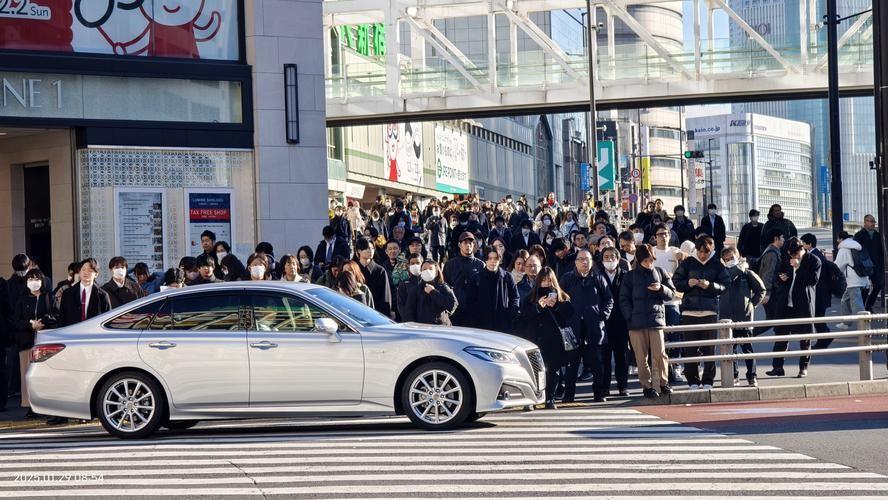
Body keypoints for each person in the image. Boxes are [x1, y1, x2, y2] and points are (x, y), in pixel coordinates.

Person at [619, 244, 677, 399]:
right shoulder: (630, 276)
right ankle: (647, 385)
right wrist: (629, 316)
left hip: (655, 320)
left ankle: (663, 384)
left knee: (660, 354)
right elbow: (623, 299)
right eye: (645, 260)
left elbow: (672, 294)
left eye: (651, 260)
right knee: (640, 356)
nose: (649, 263)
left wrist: (661, 289)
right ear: (639, 260)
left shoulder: (660, 272)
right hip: (636, 322)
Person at [673, 235, 729, 390]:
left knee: (709, 348)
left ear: (711, 251)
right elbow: (676, 282)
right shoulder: (688, 263)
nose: (702, 255)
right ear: (696, 250)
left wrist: (710, 286)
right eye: (700, 251)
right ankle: (692, 381)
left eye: (706, 252)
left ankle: (708, 381)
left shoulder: (717, 264)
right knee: (690, 348)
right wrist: (687, 284)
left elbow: (725, 285)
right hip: (689, 311)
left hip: (709, 310)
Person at [559, 249, 613, 402]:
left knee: (596, 362)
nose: (584, 262)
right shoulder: (567, 278)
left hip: (594, 326)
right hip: (573, 327)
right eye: (581, 259)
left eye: (587, 259)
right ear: (575, 262)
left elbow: (609, 299)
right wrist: (565, 318)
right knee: (572, 363)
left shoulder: (598, 277)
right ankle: (569, 395)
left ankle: (599, 394)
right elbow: (560, 299)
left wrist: (602, 315)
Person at [766, 237, 821, 378]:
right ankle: (777, 367)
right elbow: (776, 277)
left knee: (805, 338)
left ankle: (803, 368)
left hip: (803, 304)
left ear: (802, 249)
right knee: (780, 336)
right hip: (785, 303)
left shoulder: (814, 260)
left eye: (795, 254)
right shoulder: (785, 259)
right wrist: (781, 278)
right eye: (790, 254)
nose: (792, 257)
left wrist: (798, 267)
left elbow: (812, 281)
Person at [520, 267, 574, 409]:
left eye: (549, 280)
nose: (546, 283)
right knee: (535, 370)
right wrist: (538, 306)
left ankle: (550, 398)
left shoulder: (561, 296)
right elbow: (524, 315)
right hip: (535, 339)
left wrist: (556, 305)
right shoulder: (531, 296)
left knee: (553, 369)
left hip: (554, 339)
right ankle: (532, 399)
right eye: (543, 280)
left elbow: (569, 314)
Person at [12, 269, 56, 419]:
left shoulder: (49, 296)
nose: (33, 281)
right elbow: (16, 321)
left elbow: (56, 315)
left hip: (46, 342)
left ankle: (48, 405)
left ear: (42, 281)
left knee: (46, 374)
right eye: (30, 278)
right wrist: (30, 325)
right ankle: (31, 405)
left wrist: (43, 322)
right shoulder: (22, 299)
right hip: (26, 342)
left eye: (36, 278)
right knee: (27, 375)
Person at [719, 247, 765, 387]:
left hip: (744, 317)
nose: (729, 261)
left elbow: (761, 290)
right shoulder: (722, 274)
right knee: (730, 351)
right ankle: (734, 376)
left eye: (731, 258)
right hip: (727, 318)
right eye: (726, 259)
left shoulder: (747, 273)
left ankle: (752, 376)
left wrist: (751, 305)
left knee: (747, 349)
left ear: (738, 256)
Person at [652, 223, 684, 384]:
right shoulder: (651, 252)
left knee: (675, 335)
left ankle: (676, 366)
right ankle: (659, 369)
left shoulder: (676, 252)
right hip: (655, 301)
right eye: (659, 234)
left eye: (665, 234)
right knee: (658, 336)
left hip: (673, 300)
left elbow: (685, 269)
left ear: (670, 235)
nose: (663, 237)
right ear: (655, 237)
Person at [598, 247, 630, 396]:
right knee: (604, 357)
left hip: (621, 321)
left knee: (622, 356)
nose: (609, 260)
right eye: (606, 256)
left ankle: (623, 386)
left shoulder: (625, 275)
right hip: (603, 322)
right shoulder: (597, 276)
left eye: (612, 257)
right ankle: (605, 388)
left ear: (618, 259)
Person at [57, 258, 112, 334]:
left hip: (94, 337)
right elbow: (62, 318)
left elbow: (108, 321)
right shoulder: (67, 293)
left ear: (96, 274)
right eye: (83, 269)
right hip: (71, 336)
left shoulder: (102, 295)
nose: (86, 272)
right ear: (79, 272)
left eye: (90, 270)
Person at [474, 246, 520, 334]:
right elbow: (471, 301)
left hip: (503, 325)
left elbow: (515, 297)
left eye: (495, 258)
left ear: (500, 259)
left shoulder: (507, 277)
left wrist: (510, 314)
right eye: (490, 258)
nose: (493, 261)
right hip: (482, 326)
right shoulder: (477, 278)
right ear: (485, 259)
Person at [443, 232, 484, 327]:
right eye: (465, 243)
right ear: (459, 245)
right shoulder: (450, 264)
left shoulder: (480, 265)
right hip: (455, 311)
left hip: (474, 311)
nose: (468, 245)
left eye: (471, 243)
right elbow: (445, 287)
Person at [403, 261, 458, 325]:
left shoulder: (443, 287)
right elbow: (409, 312)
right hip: (422, 328)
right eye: (424, 269)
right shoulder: (416, 290)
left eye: (430, 269)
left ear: (436, 273)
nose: (427, 271)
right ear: (421, 272)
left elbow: (453, 305)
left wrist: (433, 292)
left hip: (441, 327)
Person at [834, 231, 869, 326]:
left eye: (838, 239)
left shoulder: (844, 249)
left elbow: (838, 266)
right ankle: (846, 323)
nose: (837, 241)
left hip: (853, 281)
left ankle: (864, 327)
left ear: (841, 239)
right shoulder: (857, 246)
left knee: (857, 304)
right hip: (862, 278)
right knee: (845, 301)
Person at [354, 237, 393, 318]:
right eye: (367, 248)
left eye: (372, 248)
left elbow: (385, 296)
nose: (370, 251)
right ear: (358, 251)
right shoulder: (353, 268)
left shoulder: (380, 270)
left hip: (376, 314)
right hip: (356, 313)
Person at [855, 214, 884, 311]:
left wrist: (881, 264)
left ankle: (869, 305)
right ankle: (863, 308)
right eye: (871, 221)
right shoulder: (859, 235)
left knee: (878, 285)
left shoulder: (877, 235)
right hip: (864, 266)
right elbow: (856, 252)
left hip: (876, 265)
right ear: (865, 222)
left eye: (874, 222)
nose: (873, 224)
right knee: (865, 288)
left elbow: (881, 251)